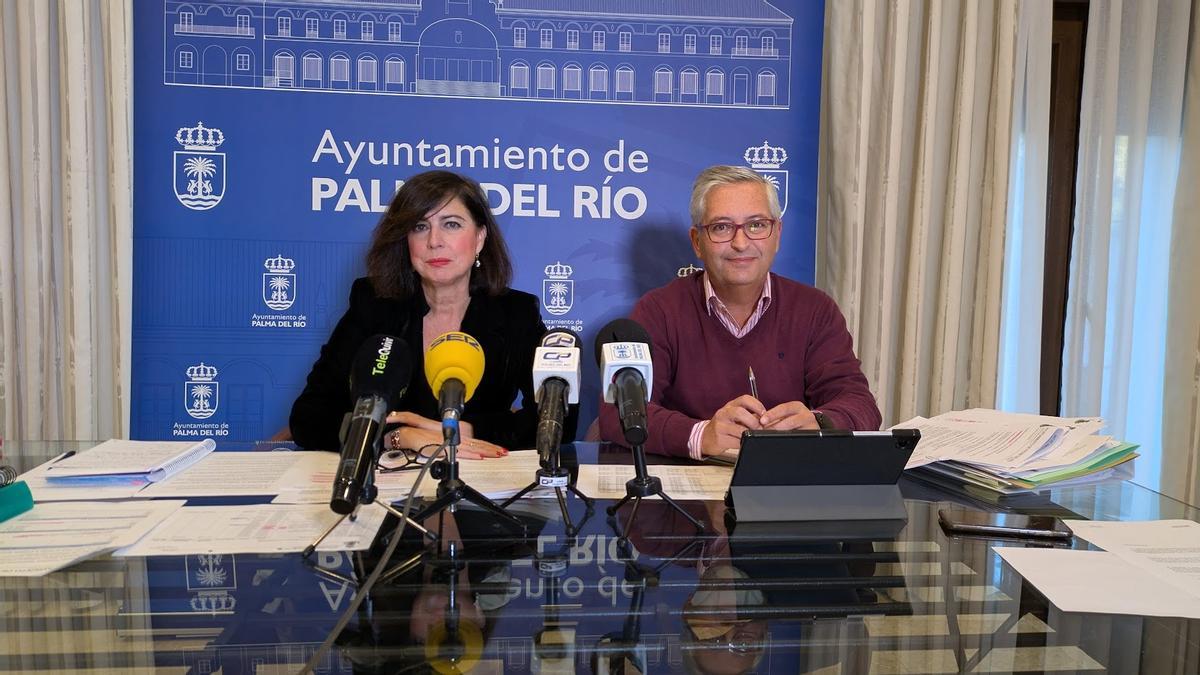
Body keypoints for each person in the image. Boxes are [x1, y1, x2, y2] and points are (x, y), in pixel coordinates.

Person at [599, 165, 880, 458]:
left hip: (785, 491)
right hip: (687, 492)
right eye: (721, 227)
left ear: (777, 234)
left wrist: (819, 422)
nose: (741, 243)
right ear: (697, 242)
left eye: (757, 225)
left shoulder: (815, 310)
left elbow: (860, 405)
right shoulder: (658, 311)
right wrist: (700, 435)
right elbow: (617, 414)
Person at [290, 170, 576, 457]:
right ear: (406, 241)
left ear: (479, 238)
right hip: (389, 485)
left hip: (479, 483)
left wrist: (464, 431)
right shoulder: (374, 307)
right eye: (419, 227)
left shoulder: (516, 313)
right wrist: (401, 436)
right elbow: (309, 417)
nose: (434, 241)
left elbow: (560, 420)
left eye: (451, 224)